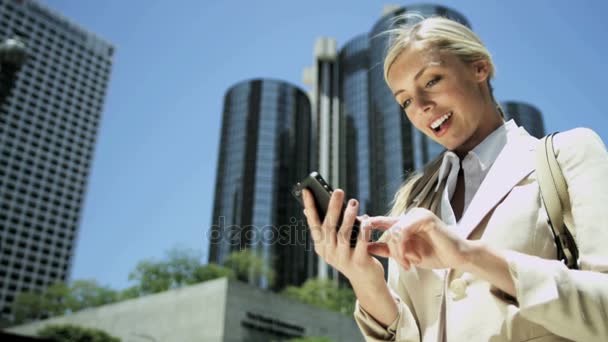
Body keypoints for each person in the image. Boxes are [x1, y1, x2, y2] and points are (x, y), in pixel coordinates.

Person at [301, 15, 608, 342]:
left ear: (480, 68)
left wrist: (469, 256)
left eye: (431, 81)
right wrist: (363, 277)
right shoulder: (412, 203)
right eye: (404, 100)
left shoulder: (567, 153)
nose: (420, 106)